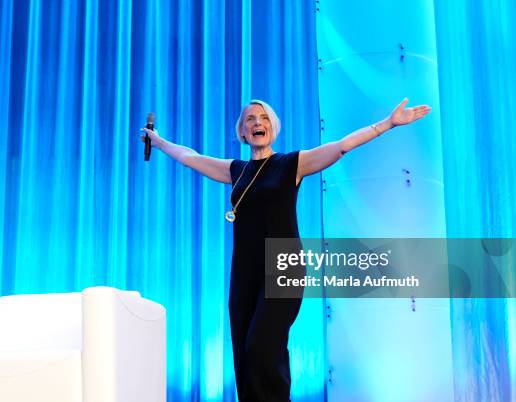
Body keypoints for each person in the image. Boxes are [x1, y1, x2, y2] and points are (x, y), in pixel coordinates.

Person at [141, 98, 431, 401]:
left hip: (283, 267)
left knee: (261, 347)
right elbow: (190, 157)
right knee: (244, 354)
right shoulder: (236, 171)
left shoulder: (292, 164)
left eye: (263, 118)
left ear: (273, 127)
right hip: (244, 272)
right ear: (242, 130)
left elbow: (341, 146)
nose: (257, 123)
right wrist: (159, 142)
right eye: (250, 119)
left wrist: (388, 123)